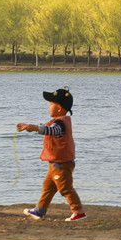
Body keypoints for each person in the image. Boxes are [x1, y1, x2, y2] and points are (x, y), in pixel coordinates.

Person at [15, 88, 85, 221]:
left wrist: (35, 127)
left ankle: (78, 211)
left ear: (59, 108)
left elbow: (52, 130)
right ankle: (39, 211)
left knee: (65, 188)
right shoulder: (58, 121)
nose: (48, 107)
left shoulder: (60, 123)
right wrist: (30, 127)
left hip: (61, 164)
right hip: (55, 163)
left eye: (50, 104)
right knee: (48, 187)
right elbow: (48, 128)